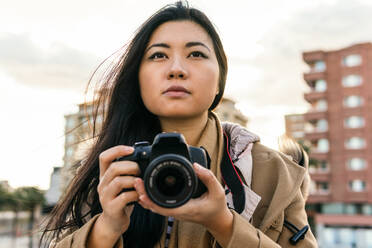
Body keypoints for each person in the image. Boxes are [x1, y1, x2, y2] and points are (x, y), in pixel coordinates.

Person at [40, 1, 318, 247]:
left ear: (221, 79)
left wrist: (224, 224)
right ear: (138, 77)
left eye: (196, 54)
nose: (176, 68)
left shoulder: (276, 176)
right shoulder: (107, 171)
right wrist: (105, 230)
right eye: (158, 55)